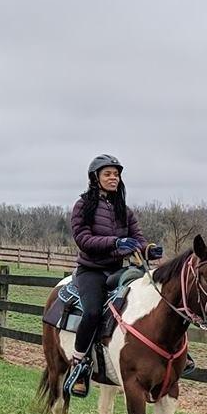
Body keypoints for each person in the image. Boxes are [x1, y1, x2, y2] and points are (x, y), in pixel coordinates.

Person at [62, 154, 163, 398]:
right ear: (95, 178)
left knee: (152, 300)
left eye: (116, 174)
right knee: (94, 312)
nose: (113, 178)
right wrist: (116, 241)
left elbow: (137, 238)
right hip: (92, 270)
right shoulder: (83, 206)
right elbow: (83, 239)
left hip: (119, 270)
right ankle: (79, 364)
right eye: (107, 174)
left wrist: (147, 249)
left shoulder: (123, 210)